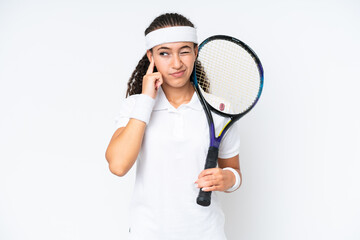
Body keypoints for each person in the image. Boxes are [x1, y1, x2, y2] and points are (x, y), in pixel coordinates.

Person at [105, 13, 242, 240]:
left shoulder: (220, 108)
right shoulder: (135, 107)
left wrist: (228, 179)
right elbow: (118, 166)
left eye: (185, 51)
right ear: (151, 56)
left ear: (196, 52)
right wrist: (147, 100)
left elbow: (234, 173)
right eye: (164, 53)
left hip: (207, 234)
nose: (176, 63)